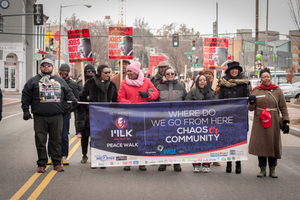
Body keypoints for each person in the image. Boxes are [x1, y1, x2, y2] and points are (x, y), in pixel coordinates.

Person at [21, 58, 77, 173]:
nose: (46, 67)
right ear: (40, 67)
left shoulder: (59, 81)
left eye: (49, 65)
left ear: (52, 67)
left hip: (56, 116)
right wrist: (26, 110)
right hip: (40, 117)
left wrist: (72, 100)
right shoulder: (33, 81)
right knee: (40, 141)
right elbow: (26, 96)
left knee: (56, 140)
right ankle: (42, 163)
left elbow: (68, 93)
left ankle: (57, 162)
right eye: (44, 65)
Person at [248, 68, 289, 178]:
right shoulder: (256, 90)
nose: (266, 78)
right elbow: (250, 109)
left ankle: (272, 169)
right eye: (264, 77)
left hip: (273, 121)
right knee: (261, 144)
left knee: (273, 143)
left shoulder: (277, 90)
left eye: (268, 77)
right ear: (260, 79)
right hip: (259, 121)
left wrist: (286, 121)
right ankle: (262, 169)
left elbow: (283, 107)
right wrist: (251, 102)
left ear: (270, 78)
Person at [118, 61, 159, 171]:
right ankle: (128, 162)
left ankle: (142, 162)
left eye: (130, 71)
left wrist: (148, 95)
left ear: (136, 72)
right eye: (128, 71)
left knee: (142, 138)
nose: (128, 73)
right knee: (129, 138)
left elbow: (156, 94)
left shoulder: (146, 81)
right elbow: (120, 98)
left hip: (143, 115)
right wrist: (129, 103)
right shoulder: (124, 83)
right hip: (129, 115)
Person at [79, 64, 118, 168]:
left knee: (103, 138)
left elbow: (115, 101)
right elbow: (81, 98)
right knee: (93, 138)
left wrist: (112, 111)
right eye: (105, 72)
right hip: (92, 115)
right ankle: (94, 159)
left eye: (109, 72)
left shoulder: (112, 85)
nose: (108, 74)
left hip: (106, 116)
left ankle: (102, 159)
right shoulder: (90, 83)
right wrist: (89, 107)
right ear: (99, 73)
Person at [217, 61, 250, 174]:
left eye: (236, 69)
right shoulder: (223, 83)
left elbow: (247, 99)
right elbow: (220, 101)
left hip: (240, 117)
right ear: (229, 71)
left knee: (239, 140)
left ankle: (238, 163)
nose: (234, 71)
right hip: (227, 116)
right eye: (232, 69)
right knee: (228, 140)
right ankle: (229, 162)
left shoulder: (245, 83)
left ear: (239, 71)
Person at [47, 64, 80, 165]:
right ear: (59, 70)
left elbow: (76, 99)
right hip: (54, 113)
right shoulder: (53, 81)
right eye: (63, 70)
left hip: (65, 113)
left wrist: (70, 109)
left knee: (64, 136)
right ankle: (51, 156)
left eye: (67, 71)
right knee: (52, 135)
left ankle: (63, 156)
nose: (65, 72)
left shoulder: (73, 84)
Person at [156, 67, 187, 172]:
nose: (170, 75)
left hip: (177, 118)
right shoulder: (159, 86)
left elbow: (186, 101)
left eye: (172, 73)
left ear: (175, 74)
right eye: (168, 73)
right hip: (163, 118)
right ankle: (163, 162)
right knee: (163, 140)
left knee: (176, 140)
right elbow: (154, 100)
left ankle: (176, 163)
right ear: (165, 75)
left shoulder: (181, 86)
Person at [186, 75, 218, 173]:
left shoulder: (212, 92)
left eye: (204, 80)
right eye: (200, 80)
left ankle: (206, 164)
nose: (202, 81)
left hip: (209, 122)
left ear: (208, 82)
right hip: (195, 122)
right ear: (197, 82)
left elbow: (218, 105)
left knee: (208, 143)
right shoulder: (192, 92)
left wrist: (209, 98)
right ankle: (196, 164)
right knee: (196, 142)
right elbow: (186, 103)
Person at [75, 64, 95, 138]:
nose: (91, 73)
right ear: (85, 72)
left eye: (93, 71)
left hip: (93, 109)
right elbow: (76, 95)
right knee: (84, 135)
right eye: (88, 71)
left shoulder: (97, 82)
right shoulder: (79, 83)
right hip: (82, 109)